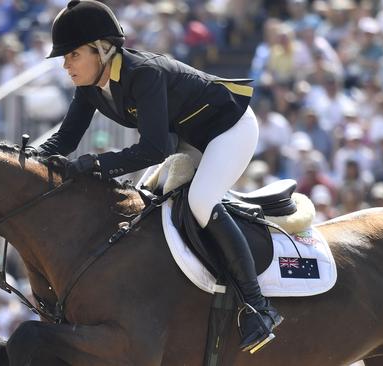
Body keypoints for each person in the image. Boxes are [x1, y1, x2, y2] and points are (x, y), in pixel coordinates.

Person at [36, 0, 282, 352]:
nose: (65, 64)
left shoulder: (142, 72)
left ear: (101, 49)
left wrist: (97, 165)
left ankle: (259, 307)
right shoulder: (91, 86)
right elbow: (66, 139)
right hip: (190, 137)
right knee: (147, 203)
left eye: (73, 55)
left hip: (229, 128)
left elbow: (154, 149)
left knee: (200, 201)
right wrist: (27, 159)